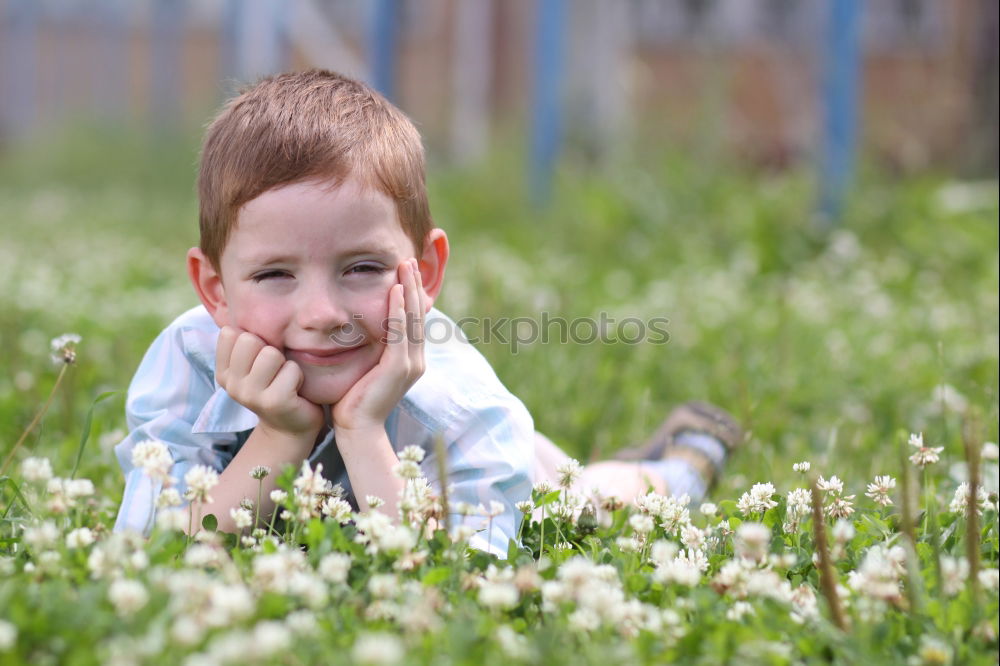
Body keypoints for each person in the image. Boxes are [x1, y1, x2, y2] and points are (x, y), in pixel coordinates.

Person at [114, 69, 740, 555]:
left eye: (362, 268)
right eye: (275, 274)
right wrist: (281, 436)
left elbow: (455, 581)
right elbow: (157, 553)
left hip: (508, 466)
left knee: (584, 501)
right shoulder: (188, 361)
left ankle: (681, 461)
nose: (323, 312)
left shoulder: (464, 404)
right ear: (215, 288)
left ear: (428, 271)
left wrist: (361, 431)